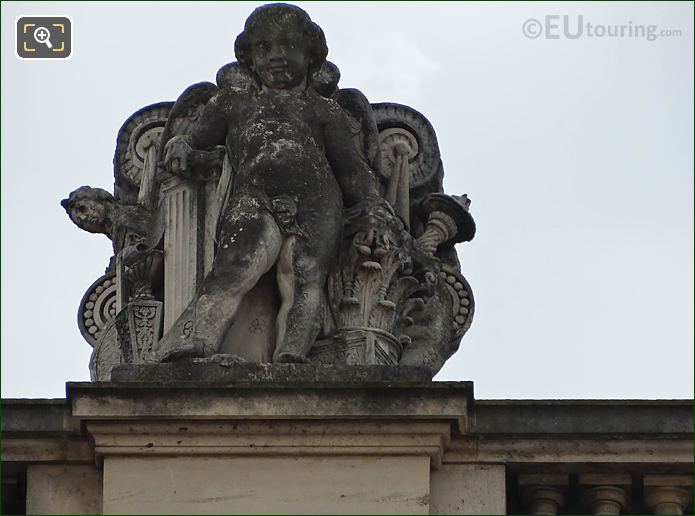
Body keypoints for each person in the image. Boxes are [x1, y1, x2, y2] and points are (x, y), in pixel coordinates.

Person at [156, 3, 382, 363]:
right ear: (249, 57)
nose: (276, 56)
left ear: (310, 55)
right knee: (235, 264)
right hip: (254, 197)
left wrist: (373, 210)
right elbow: (197, 143)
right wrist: (180, 146)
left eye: (288, 45)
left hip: (317, 201)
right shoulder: (231, 104)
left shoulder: (324, 111)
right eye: (264, 48)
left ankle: (292, 353)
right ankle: (198, 337)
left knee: (303, 277)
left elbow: (351, 170)